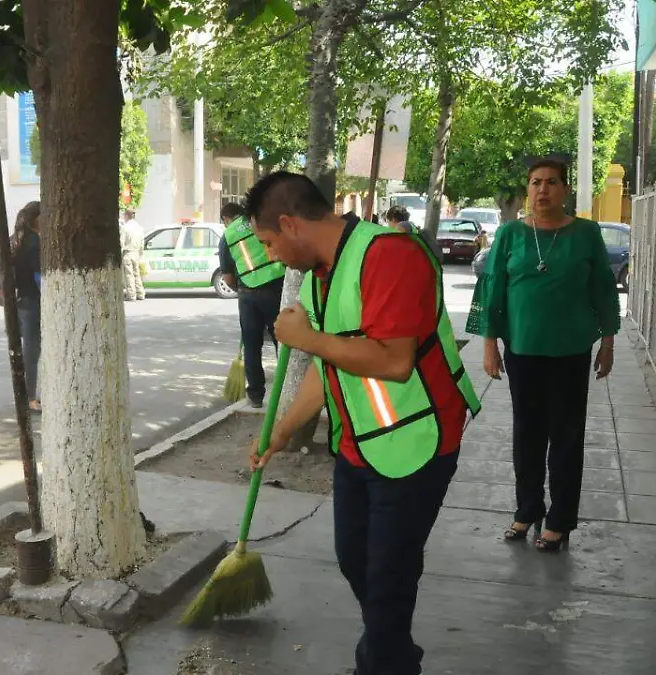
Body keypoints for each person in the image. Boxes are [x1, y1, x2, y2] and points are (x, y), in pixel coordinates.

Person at [246, 171, 481, 675]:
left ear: (289, 225)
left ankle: (384, 663)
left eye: (268, 242)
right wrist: (283, 430)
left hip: (417, 440)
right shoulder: (321, 276)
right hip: (359, 444)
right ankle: (392, 651)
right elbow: (330, 367)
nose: (270, 255)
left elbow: (394, 362)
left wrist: (306, 340)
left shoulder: (391, 255)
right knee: (357, 561)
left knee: (387, 578)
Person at [468, 158, 620, 552]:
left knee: (567, 436)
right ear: (527, 189)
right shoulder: (510, 234)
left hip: (571, 352)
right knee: (527, 434)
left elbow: (603, 287)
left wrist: (608, 340)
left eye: (552, 183)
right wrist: (489, 343)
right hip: (522, 351)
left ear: (564, 190)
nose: (543, 190)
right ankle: (527, 508)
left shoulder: (586, 233)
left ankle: (560, 518)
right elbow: (491, 289)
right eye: (536, 183)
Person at [218, 201, 283, 407]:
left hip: (248, 293)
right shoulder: (260, 221)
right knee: (282, 339)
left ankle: (255, 394)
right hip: (276, 287)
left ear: (227, 219)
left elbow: (228, 278)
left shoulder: (228, 236)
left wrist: (243, 291)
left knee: (252, 345)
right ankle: (287, 389)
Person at [12, 201, 43, 413]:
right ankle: (31, 398)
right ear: (36, 219)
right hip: (33, 302)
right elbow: (38, 276)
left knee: (23, 351)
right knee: (32, 352)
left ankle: (24, 395)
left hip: (17, 301)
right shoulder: (35, 242)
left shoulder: (15, 239)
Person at [120, 209, 146, 301]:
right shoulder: (139, 227)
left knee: (129, 275)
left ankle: (131, 295)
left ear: (127, 215)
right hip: (136, 253)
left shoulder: (125, 228)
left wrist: (119, 254)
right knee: (137, 274)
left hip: (128, 253)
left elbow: (121, 243)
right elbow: (142, 243)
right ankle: (140, 293)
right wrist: (140, 253)